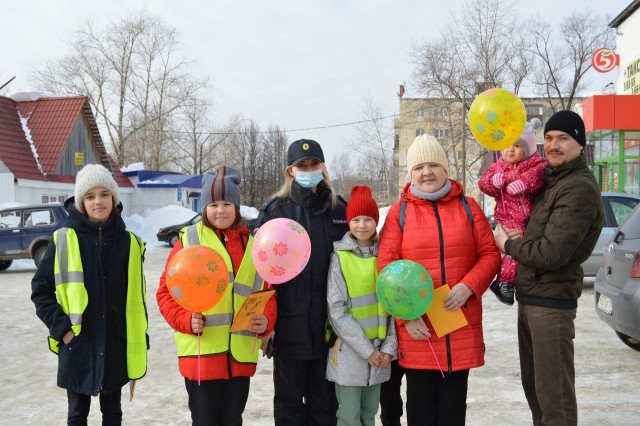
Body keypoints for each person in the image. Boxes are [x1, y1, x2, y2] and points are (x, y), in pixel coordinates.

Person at [378, 134, 500, 425]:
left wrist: (469, 285)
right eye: (419, 167)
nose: (426, 172)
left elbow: (489, 255)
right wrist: (406, 318)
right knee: (420, 413)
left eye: (433, 165)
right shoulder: (399, 213)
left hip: (459, 325)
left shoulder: (468, 207)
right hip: (420, 331)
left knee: (453, 413)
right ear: (411, 173)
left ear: (446, 169)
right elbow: (386, 270)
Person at [494, 110, 604, 426]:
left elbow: (551, 252)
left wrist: (508, 245)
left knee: (554, 400)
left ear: (580, 145)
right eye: (550, 139)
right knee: (537, 393)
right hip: (532, 297)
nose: (554, 145)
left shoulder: (578, 188)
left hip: (551, 303)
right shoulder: (552, 181)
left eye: (564, 139)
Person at [157, 166, 276, 426]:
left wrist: (267, 319)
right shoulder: (188, 241)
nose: (220, 210)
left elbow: (267, 291)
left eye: (226, 203)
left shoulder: (253, 244)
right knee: (205, 421)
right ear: (205, 208)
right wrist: (185, 320)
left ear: (237, 206)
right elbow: (166, 292)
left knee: (233, 420)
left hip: (239, 357)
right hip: (201, 356)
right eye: (213, 204)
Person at [31, 164, 149, 426]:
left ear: (114, 199)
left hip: (115, 343)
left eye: (105, 194)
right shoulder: (63, 239)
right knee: (76, 415)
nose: (98, 201)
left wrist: (139, 336)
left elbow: (137, 298)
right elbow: (41, 291)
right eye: (90, 196)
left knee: (113, 413)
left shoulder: (129, 243)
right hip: (77, 345)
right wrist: (63, 330)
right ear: (81, 201)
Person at [256, 139, 348, 426]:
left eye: (314, 164)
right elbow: (263, 276)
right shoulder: (275, 211)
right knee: (288, 408)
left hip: (329, 328)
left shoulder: (339, 210)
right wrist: (268, 325)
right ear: (291, 171)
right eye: (302, 165)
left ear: (323, 167)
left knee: (325, 406)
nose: (308, 169)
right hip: (288, 328)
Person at [326, 185, 397, 426]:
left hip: (380, 353)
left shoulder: (385, 256)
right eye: (356, 219)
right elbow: (337, 311)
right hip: (351, 352)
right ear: (348, 222)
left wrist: (389, 347)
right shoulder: (340, 258)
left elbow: (396, 306)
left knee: (369, 414)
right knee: (348, 416)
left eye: (368, 219)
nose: (362, 225)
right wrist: (367, 351)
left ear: (376, 221)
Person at [478, 119, 547, 305]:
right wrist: (493, 182)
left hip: (531, 218)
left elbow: (540, 175)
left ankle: (504, 282)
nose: (511, 150)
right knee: (514, 248)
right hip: (508, 217)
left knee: (519, 248)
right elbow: (483, 183)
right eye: (508, 145)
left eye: (517, 145)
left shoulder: (535, 164)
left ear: (529, 148)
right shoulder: (498, 166)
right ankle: (505, 282)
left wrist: (524, 182)